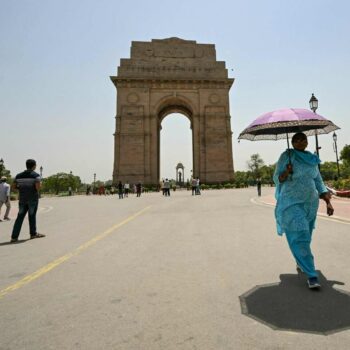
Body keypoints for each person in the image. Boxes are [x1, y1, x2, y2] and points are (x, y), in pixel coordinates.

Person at [273, 132, 334, 289]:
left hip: (310, 203)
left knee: (305, 236)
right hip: (291, 203)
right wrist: (286, 172)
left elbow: (318, 180)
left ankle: (301, 260)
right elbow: (277, 179)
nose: (301, 142)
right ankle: (312, 275)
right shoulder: (286, 156)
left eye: (303, 139)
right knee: (300, 234)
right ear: (292, 143)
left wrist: (327, 201)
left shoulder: (312, 159)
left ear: (307, 142)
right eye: (297, 140)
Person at [11, 159, 45, 243]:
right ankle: (33, 234)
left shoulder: (18, 176)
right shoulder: (36, 175)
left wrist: (21, 188)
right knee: (32, 216)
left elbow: (13, 187)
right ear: (34, 166)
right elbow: (37, 187)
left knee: (20, 217)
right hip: (32, 199)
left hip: (22, 199)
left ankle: (14, 237)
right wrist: (40, 185)